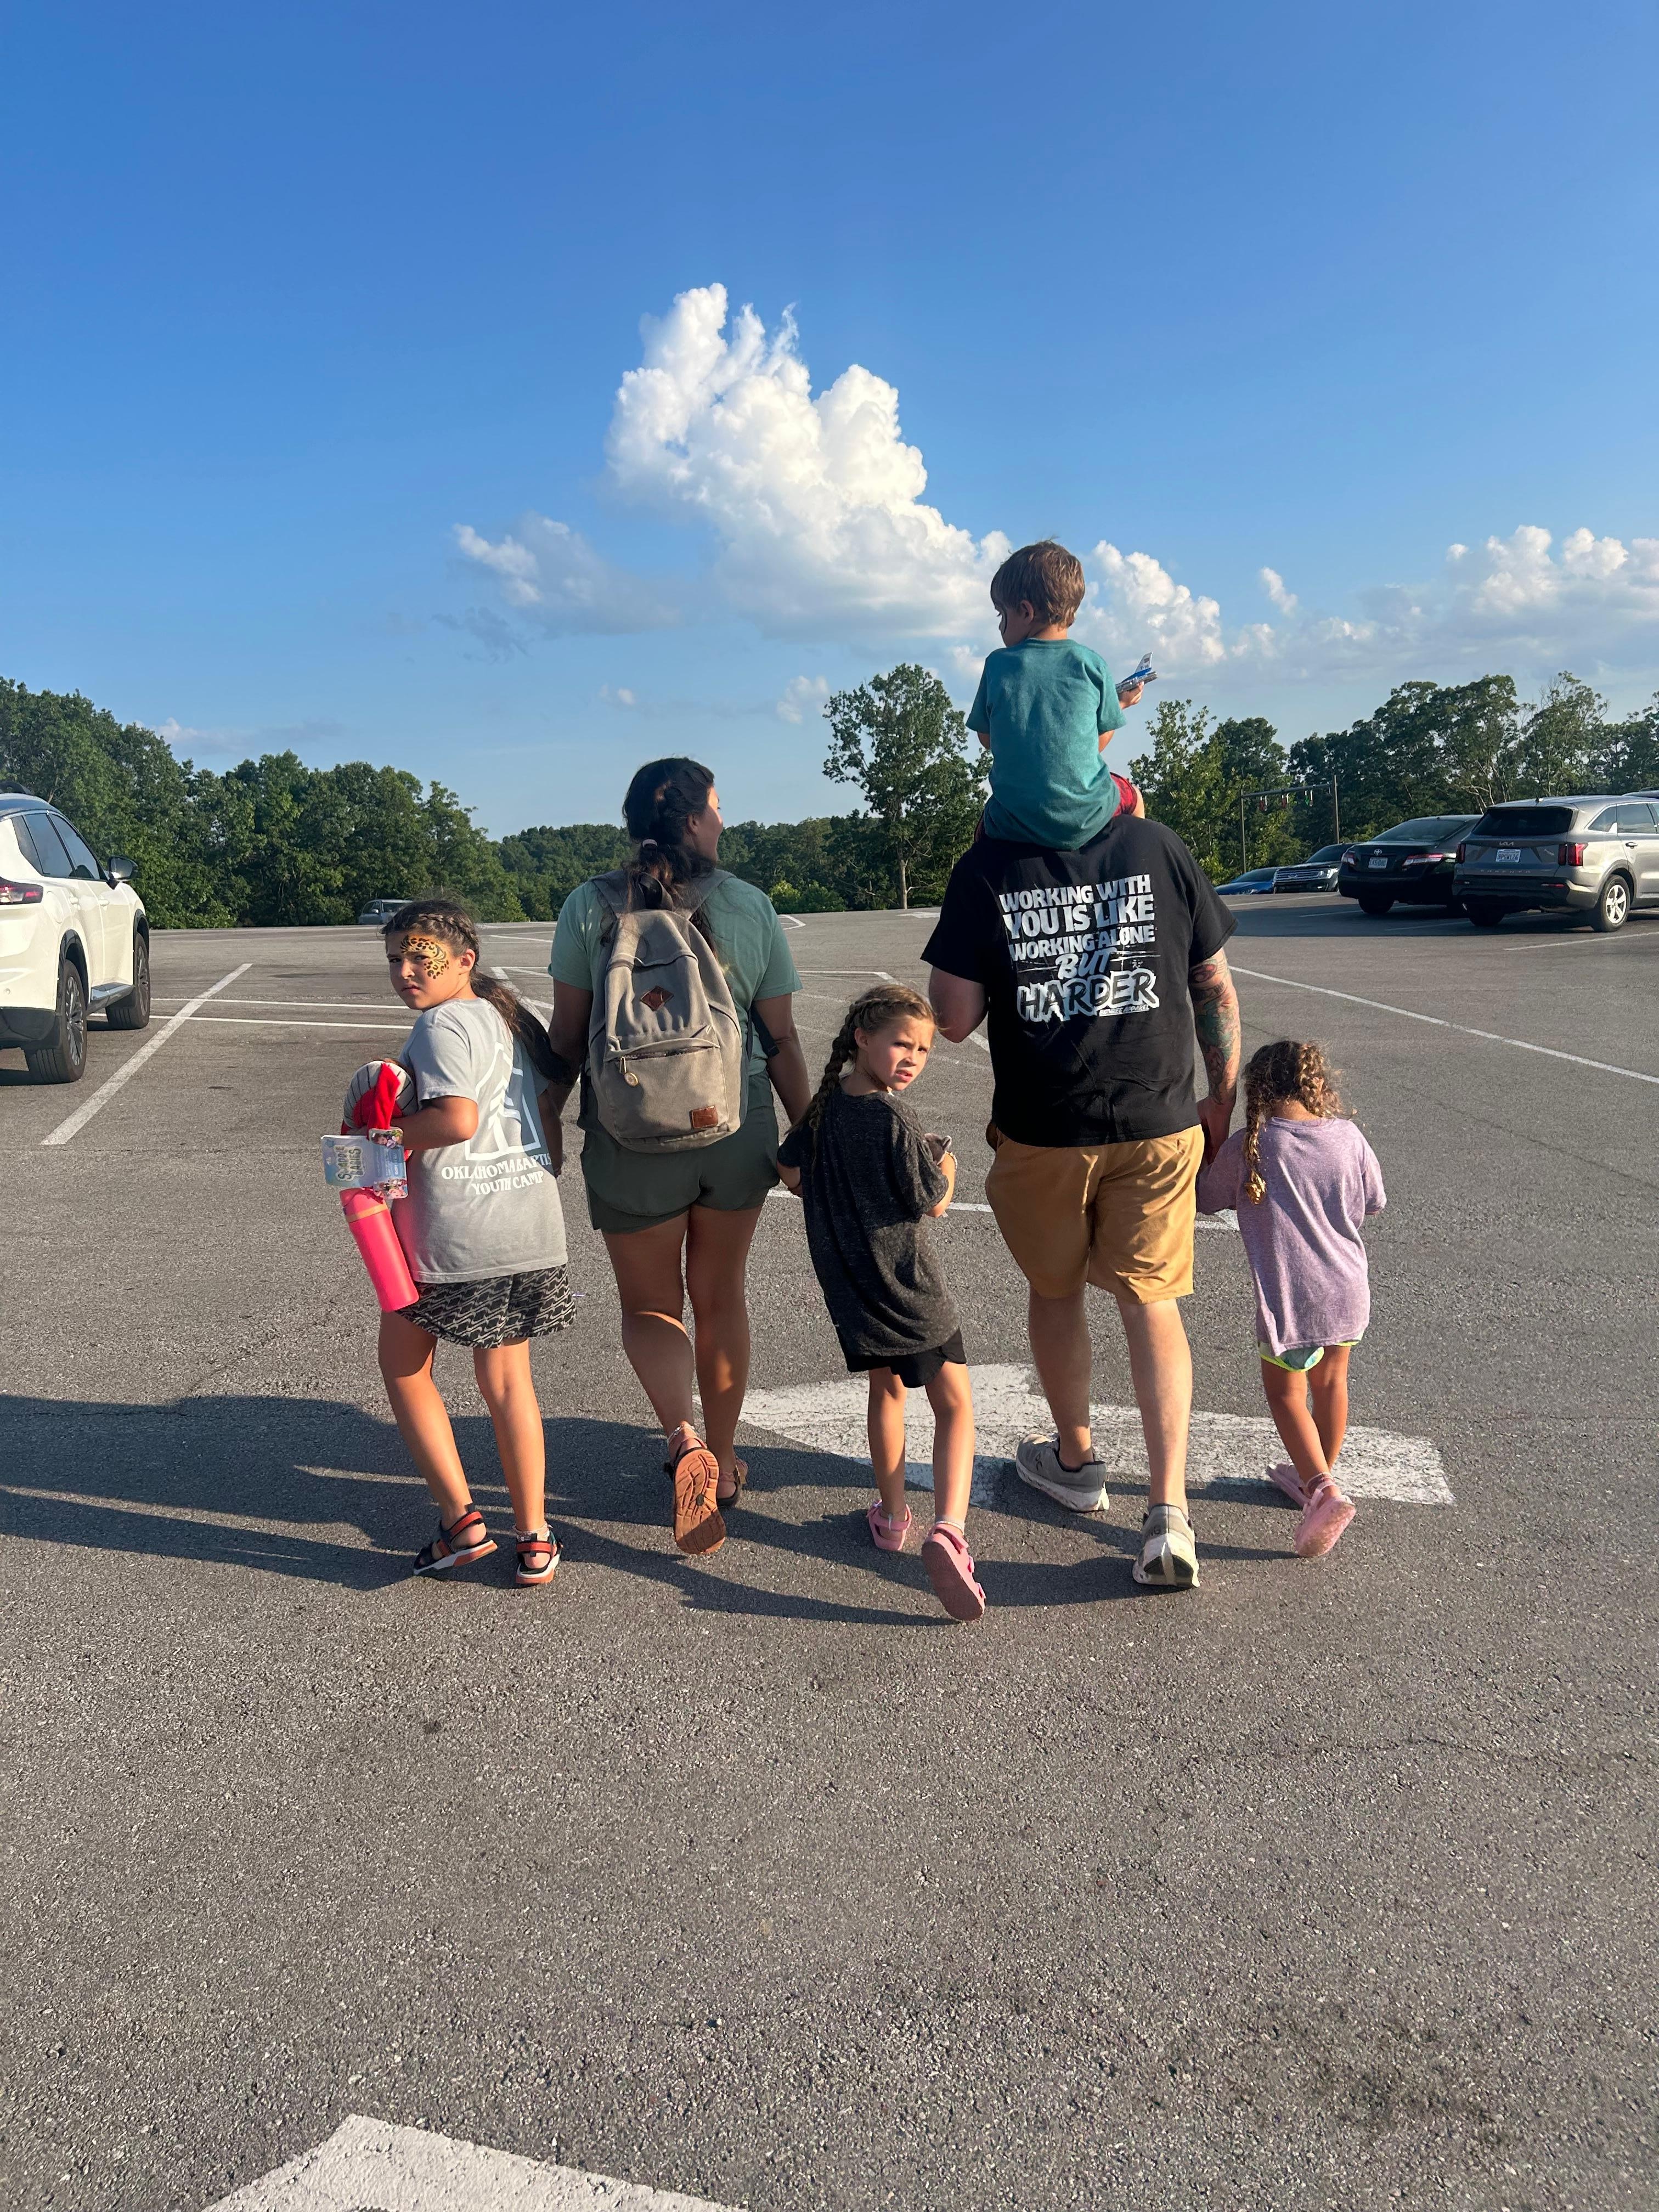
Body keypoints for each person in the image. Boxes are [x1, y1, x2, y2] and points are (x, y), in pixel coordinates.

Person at [924, 797, 1241, 1592]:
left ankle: (1075, 1459)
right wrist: (1222, 1096)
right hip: (1159, 1115)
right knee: (1153, 1302)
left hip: (1045, 1127)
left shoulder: (990, 861)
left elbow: (953, 1018)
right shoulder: (1159, 846)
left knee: (1056, 1288)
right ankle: (1168, 1511)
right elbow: (1212, 984)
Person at [543, 758, 812, 1558]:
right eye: (718, 809)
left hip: (631, 1132)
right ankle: (722, 1465)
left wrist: (548, 1119)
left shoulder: (588, 906)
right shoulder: (749, 905)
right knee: (721, 1298)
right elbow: (781, 1038)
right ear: (695, 821)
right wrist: (807, 1130)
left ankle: (682, 1437)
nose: (725, 821)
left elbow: (567, 1038)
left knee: (650, 1308)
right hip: (733, 1124)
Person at [374, 898, 573, 1588]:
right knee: (508, 1381)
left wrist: (379, 1136)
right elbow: (542, 1109)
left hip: (460, 1235)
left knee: (405, 1368)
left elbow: (456, 1120)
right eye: (395, 959)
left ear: (465, 960)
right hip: (527, 1221)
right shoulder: (504, 1018)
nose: (405, 971)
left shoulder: (440, 1025)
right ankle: (536, 1538)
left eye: (419, 957)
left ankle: (461, 1523)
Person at [777, 984, 984, 1623]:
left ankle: (892, 1517)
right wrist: (945, 1161)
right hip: (910, 1291)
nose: (913, 1058)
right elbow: (934, 1202)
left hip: (854, 1291)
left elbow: (790, 1172)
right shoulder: (894, 1119)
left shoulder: (825, 1106)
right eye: (902, 1043)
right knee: (956, 1407)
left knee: (886, 1394)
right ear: (864, 1037)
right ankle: (949, 1531)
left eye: (923, 1049)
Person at [1196, 1040, 1385, 1559]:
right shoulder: (1348, 1137)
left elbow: (1206, 1199)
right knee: (1332, 1383)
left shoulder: (1251, 1147)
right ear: (1316, 1085)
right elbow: (1374, 1201)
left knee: (1285, 1394)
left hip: (1291, 1298)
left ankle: (1322, 1491)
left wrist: (1212, 1149)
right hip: (1348, 1288)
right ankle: (1314, 1476)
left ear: (1258, 1092)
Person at [968, 539, 1147, 850]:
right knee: (1134, 796)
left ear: (1025, 612)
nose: (1000, 625)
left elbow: (987, 739)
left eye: (1001, 614)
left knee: (982, 834)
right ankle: (1134, 858)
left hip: (1012, 822)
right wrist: (1119, 704)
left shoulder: (997, 665)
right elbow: (1098, 742)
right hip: (1088, 815)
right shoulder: (1092, 664)